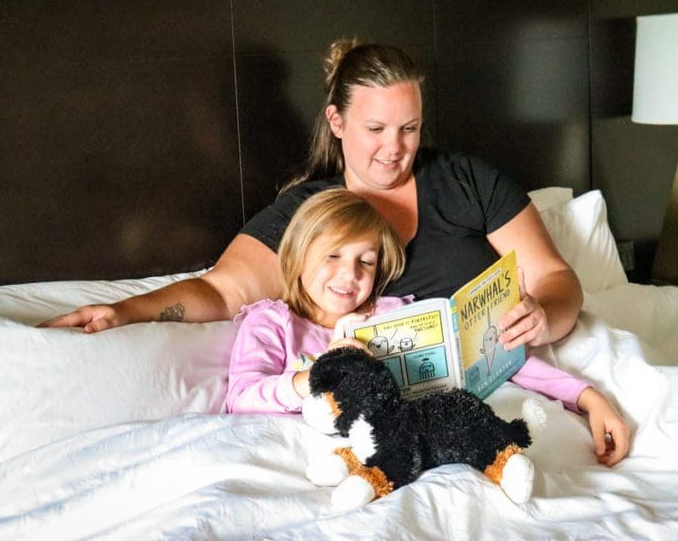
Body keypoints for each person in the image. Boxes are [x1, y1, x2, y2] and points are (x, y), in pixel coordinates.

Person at [39, 38, 584, 353]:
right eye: (376, 129)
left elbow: (555, 279)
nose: (395, 149)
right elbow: (222, 293)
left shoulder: (467, 179)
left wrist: (545, 316)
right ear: (337, 122)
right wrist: (125, 311)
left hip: (497, 384)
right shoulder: (308, 212)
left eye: (410, 128)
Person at [226, 188, 630, 467]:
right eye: (332, 255)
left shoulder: (392, 314)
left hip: (419, 448)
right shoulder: (272, 322)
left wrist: (587, 396)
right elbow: (240, 398)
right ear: (298, 253)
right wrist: (316, 376)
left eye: (365, 262)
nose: (348, 275)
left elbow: (495, 355)